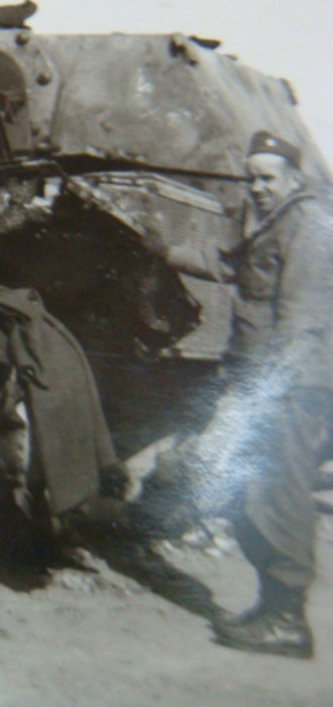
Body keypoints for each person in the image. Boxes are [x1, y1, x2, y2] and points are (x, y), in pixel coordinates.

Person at [165, 130, 333, 658]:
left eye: (267, 178)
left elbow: (302, 317)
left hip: (287, 384)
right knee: (250, 495)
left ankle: (288, 622)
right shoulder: (277, 222)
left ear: (292, 179)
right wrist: (163, 249)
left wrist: (265, 392)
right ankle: (271, 606)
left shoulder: (308, 223)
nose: (257, 187)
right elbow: (230, 267)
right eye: (252, 177)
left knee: (278, 495)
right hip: (266, 380)